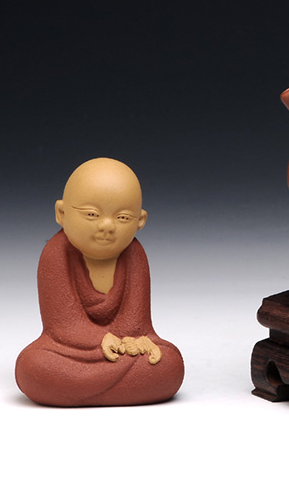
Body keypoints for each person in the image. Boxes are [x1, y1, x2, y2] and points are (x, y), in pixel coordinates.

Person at [15, 158, 184, 406]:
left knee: (170, 363)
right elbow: (62, 325)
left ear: (140, 221)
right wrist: (101, 341)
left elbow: (137, 322)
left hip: (120, 348)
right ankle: (124, 386)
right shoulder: (56, 253)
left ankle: (79, 388)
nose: (107, 226)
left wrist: (135, 342)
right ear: (61, 214)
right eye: (92, 214)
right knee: (33, 367)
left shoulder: (135, 255)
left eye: (123, 217)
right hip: (71, 348)